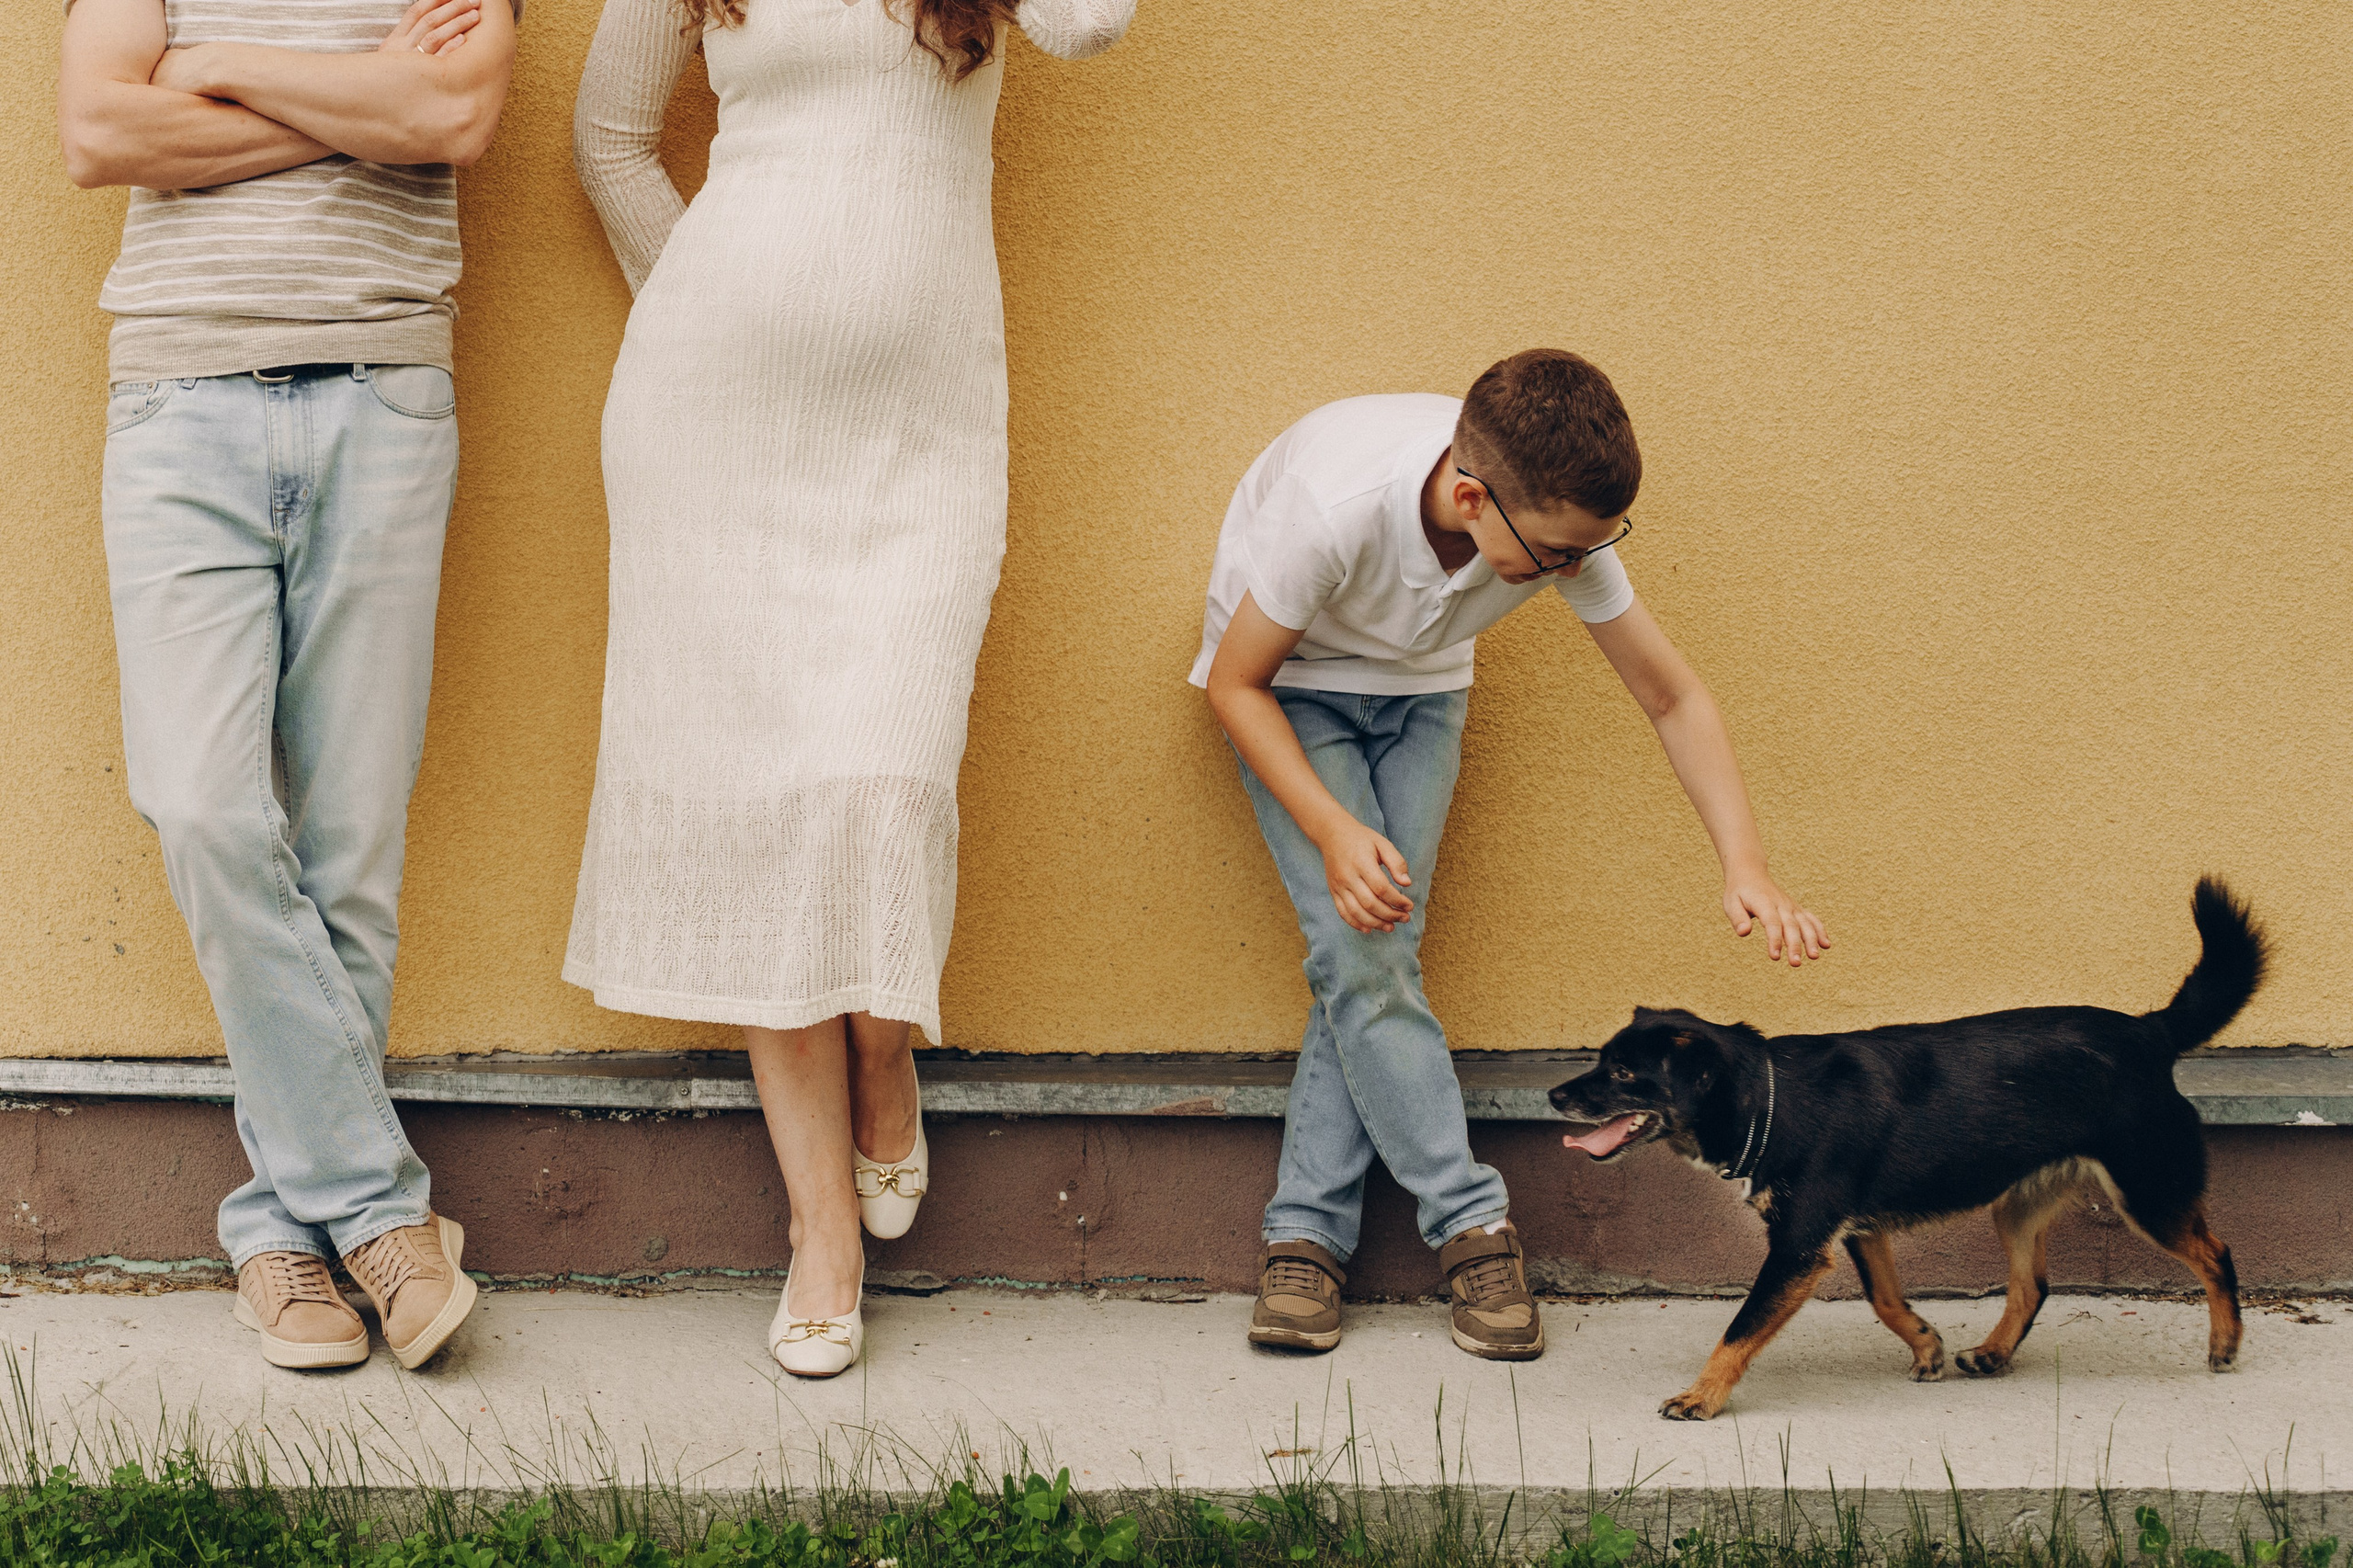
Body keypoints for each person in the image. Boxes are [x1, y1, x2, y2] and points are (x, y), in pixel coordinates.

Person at [568, 0, 1132, 1378]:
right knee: (758, 815)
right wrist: (706, 296)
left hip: (919, 436)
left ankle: (885, 1048)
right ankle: (821, 1230)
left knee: (888, 774)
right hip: (713, 429)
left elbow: (1093, 25)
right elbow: (607, 139)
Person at [1194, 350, 1831, 1360]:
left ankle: (1304, 1237)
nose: (1574, 569)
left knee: (1364, 956)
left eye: (1592, 548)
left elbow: (1672, 696)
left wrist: (1744, 863)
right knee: (1365, 953)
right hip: (1290, 682)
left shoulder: (1563, 531)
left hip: (1423, 691)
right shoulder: (1333, 510)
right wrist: (1332, 827)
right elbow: (1237, 682)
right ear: (1470, 498)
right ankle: (1470, 1223)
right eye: (1554, 554)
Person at [57, 0, 521, 1370]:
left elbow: (450, 117)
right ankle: (380, 1211)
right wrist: (359, 95)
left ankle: (279, 1236)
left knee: (347, 854)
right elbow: (98, 132)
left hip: (384, 390)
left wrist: (209, 73)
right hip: (178, 401)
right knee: (203, 810)